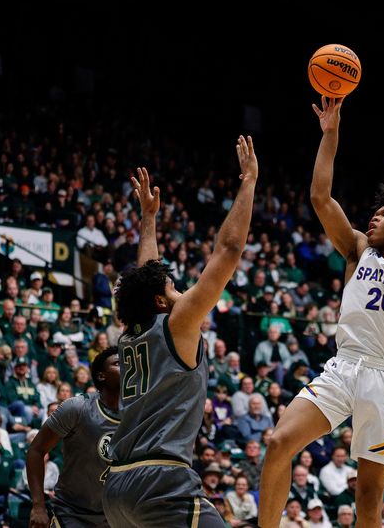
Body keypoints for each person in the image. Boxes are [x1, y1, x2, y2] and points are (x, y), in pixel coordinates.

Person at [259, 97, 384, 528]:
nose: (373, 219)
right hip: (342, 367)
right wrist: (330, 133)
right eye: (373, 214)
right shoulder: (358, 250)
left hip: (383, 377)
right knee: (279, 441)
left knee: (367, 503)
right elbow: (320, 197)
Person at [102, 138, 258, 527]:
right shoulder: (178, 322)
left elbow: (146, 277)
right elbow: (230, 248)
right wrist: (249, 181)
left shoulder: (131, 332)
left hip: (117, 487)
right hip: (161, 480)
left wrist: (148, 219)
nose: (181, 291)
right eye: (174, 288)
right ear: (160, 301)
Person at [27, 347, 120, 528]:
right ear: (101, 376)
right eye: (118, 363)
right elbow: (36, 451)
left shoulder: (139, 414)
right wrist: (38, 506)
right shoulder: (77, 408)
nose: (127, 366)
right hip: (72, 513)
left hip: (115, 516)